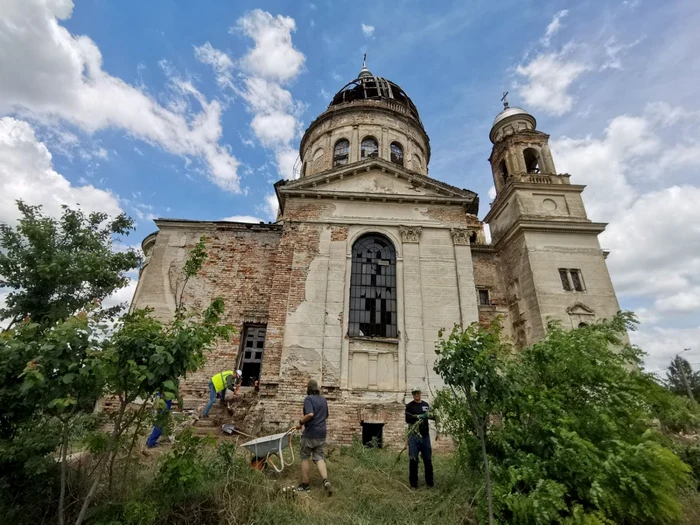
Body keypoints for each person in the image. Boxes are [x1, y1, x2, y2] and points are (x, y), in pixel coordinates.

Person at [295, 379, 332, 495]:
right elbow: (326, 415)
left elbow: (310, 414)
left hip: (310, 433)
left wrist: (300, 423)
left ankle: (305, 485)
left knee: (305, 457)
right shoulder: (323, 400)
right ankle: (325, 480)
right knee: (319, 457)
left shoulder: (308, 399)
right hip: (321, 433)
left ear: (309, 389)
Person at [405, 386, 434, 488]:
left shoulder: (425, 405)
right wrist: (417, 416)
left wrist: (431, 414)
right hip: (414, 437)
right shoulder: (409, 406)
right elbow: (407, 419)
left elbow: (431, 415)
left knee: (427, 459)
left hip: (425, 436)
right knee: (413, 459)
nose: (416, 395)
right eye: (414, 393)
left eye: (417, 393)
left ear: (420, 393)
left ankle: (430, 483)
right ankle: (413, 484)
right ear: (412, 395)